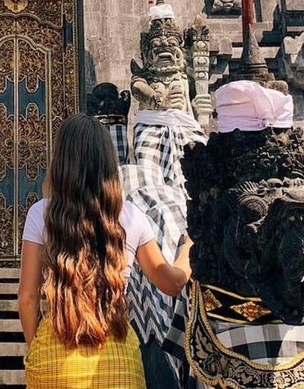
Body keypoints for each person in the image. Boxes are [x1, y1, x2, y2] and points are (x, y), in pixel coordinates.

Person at [19, 113, 192, 388]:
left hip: (54, 357)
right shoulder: (131, 216)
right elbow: (171, 283)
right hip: (117, 358)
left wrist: (35, 346)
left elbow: (27, 297)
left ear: (61, 161)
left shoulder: (41, 213)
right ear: (109, 163)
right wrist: (187, 250)